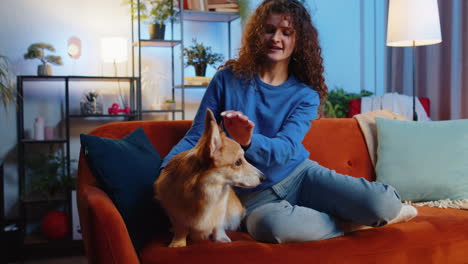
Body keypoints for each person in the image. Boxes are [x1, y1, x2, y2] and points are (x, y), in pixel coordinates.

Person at [160, 0, 417, 243]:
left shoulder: (306, 94)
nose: (276, 38)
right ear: (257, 35)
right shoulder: (228, 79)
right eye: (269, 30)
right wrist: (167, 170)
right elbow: (197, 136)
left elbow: (284, 149)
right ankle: (351, 224)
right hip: (253, 196)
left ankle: (372, 214)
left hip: (301, 175)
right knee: (274, 229)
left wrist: (247, 141)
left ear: (299, 40)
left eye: (286, 32)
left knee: (384, 204)